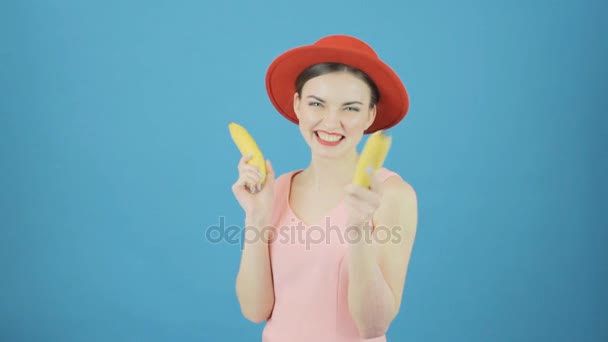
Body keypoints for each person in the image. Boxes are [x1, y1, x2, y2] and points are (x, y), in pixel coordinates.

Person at [232, 34, 418, 342]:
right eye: (317, 104)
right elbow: (254, 311)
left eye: (350, 108)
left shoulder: (392, 195)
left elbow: (373, 325)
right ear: (298, 106)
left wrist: (358, 228)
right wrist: (256, 217)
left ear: (370, 115)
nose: (331, 122)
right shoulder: (275, 189)